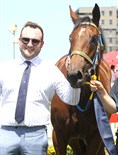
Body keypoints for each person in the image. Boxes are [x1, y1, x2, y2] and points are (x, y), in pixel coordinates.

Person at [0, 21, 81, 155]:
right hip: (6, 135)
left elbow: (72, 100)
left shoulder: (52, 70)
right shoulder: (4, 68)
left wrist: (73, 78)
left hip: (36, 136)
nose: (30, 44)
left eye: (35, 41)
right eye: (25, 40)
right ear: (19, 40)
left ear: (42, 44)